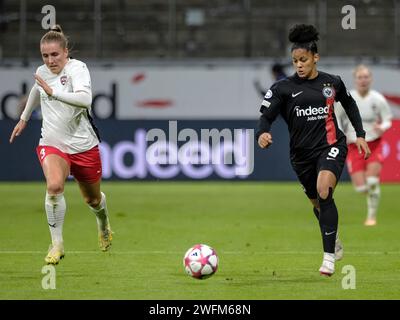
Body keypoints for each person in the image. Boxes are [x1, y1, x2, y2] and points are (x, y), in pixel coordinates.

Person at [256, 24, 371, 276]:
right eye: (295, 60)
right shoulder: (282, 88)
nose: (299, 64)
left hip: (331, 146)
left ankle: (328, 257)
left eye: (304, 59)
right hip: (301, 156)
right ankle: (334, 236)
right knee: (318, 203)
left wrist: (360, 135)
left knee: (324, 190)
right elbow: (266, 117)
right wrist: (262, 133)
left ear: (315, 57)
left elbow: (350, 105)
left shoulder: (332, 83)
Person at [9, 25, 112, 265]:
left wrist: (53, 92)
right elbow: (37, 90)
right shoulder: (42, 72)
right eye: (45, 56)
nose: (50, 60)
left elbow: (85, 99)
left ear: (66, 52)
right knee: (54, 187)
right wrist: (24, 118)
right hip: (53, 143)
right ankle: (57, 245)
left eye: (55, 54)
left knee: (93, 201)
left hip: (83, 146)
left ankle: (103, 224)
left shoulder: (78, 69)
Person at [335, 65, 392, 226]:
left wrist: (383, 127)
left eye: (366, 77)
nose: (363, 80)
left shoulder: (378, 99)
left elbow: (387, 119)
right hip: (354, 145)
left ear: (371, 79)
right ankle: (373, 194)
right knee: (361, 188)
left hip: (374, 143)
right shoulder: (347, 98)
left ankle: (371, 216)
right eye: (360, 77)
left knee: (373, 180)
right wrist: (341, 134)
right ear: (355, 80)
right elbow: (337, 117)